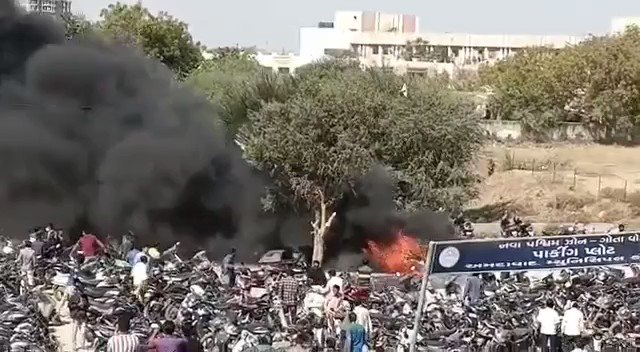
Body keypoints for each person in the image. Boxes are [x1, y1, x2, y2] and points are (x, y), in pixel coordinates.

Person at [68, 287, 89, 351]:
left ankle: (82, 345)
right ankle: (74, 345)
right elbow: (70, 306)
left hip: (83, 317)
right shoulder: (73, 297)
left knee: (83, 331)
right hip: (76, 317)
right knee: (74, 332)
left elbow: (87, 305)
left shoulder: (84, 296)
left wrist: (85, 305)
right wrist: (78, 305)